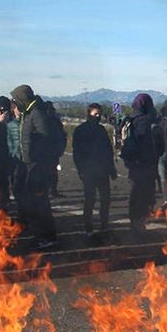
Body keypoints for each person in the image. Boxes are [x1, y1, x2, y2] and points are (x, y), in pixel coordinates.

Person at [12, 84, 65, 249]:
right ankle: (40, 235)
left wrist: (38, 161)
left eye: (15, 100)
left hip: (38, 167)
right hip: (30, 165)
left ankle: (47, 237)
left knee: (40, 203)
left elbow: (45, 140)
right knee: (33, 201)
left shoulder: (37, 114)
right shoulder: (29, 114)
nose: (14, 103)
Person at [72, 103, 117, 242]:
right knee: (90, 200)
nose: (98, 116)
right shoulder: (80, 130)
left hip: (102, 170)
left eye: (99, 114)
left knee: (105, 199)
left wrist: (112, 168)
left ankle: (104, 225)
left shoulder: (101, 130)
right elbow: (77, 153)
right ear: (89, 113)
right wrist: (81, 170)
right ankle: (88, 227)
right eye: (95, 114)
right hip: (89, 171)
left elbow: (108, 150)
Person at [120, 93, 162, 234]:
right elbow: (156, 143)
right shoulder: (148, 121)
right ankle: (140, 222)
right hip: (147, 164)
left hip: (134, 165)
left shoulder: (130, 120)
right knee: (145, 194)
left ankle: (135, 222)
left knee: (136, 194)